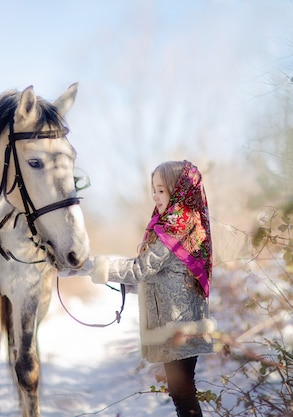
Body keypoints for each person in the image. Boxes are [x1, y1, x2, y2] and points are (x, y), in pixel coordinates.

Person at [90, 160, 215, 417]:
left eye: (161, 190)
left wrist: (96, 266)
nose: (155, 196)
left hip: (178, 324)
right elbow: (163, 276)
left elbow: (141, 269)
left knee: (183, 396)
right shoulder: (185, 221)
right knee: (182, 394)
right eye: (153, 190)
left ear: (177, 189)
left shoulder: (176, 226)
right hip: (182, 322)